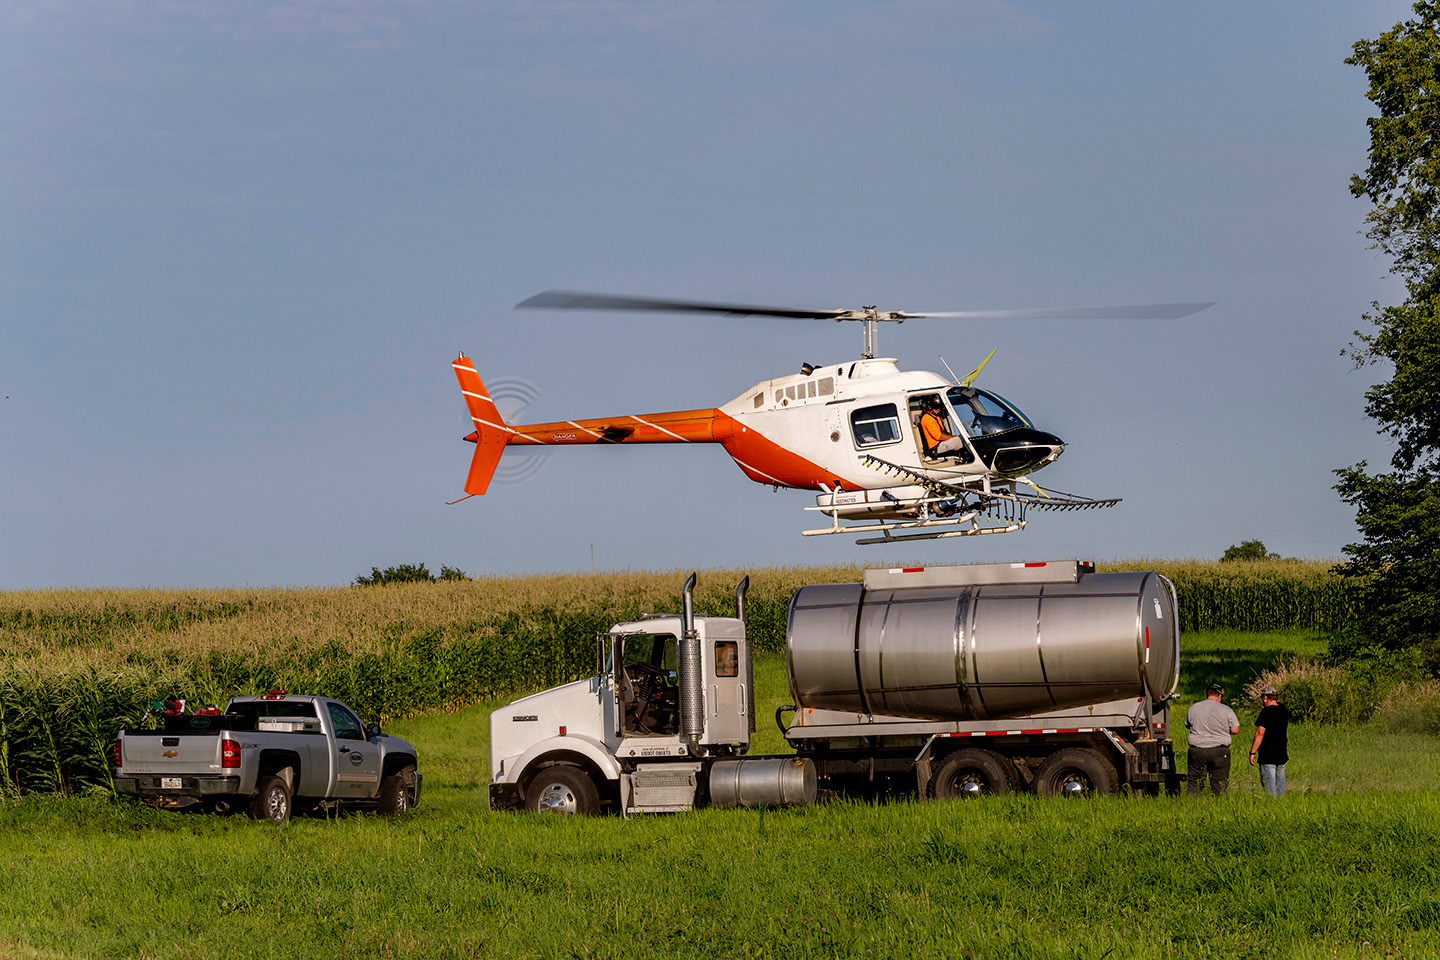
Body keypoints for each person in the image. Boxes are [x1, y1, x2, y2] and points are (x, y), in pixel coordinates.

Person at [1185, 682, 1240, 796]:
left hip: (1197, 750)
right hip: (1219, 751)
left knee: (1194, 782)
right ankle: (1219, 804)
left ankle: (1192, 805)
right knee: (1219, 784)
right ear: (1220, 696)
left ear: (1207, 694)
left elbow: (1187, 724)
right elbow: (1235, 730)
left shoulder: (1194, 707)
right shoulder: (1226, 709)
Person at [1249, 685, 1289, 797]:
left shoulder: (1266, 712)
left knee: (1270, 789)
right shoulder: (1283, 710)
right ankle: (1281, 808)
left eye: (1263, 698)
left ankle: (1272, 807)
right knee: (1280, 788)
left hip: (1268, 754)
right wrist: (1272, 692)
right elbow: (1277, 702)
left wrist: (1252, 752)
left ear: (1266, 698)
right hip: (1281, 754)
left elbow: (1259, 733)